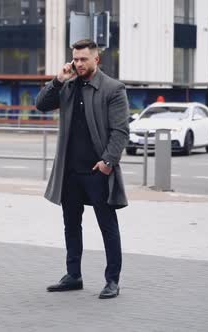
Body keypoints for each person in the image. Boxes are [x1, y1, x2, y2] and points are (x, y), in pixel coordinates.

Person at [35, 39, 129, 299]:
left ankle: (112, 280)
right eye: (75, 59)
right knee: (71, 225)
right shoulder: (68, 85)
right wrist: (56, 80)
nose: (78, 64)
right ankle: (73, 275)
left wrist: (108, 162)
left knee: (107, 226)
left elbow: (120, 131)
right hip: (70, 172)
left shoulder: (113, 88)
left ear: (96, 60)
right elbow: (41, 104)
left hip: (98, 171)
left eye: (83, 59)